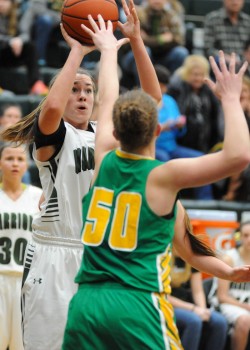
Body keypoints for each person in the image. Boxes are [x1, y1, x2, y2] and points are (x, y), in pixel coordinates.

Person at [62, 30, 250, 349]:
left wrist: (108, 52)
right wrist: (231, 99)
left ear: (114, 131)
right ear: (158, 130)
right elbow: (239, 156)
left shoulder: (103, 159)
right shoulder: (163, 176)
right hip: (137, 305)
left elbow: (108, 97)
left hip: (86, 305)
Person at [1, 0, 161, 348]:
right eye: (75, 88)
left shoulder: (105, 133)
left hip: (98, 258)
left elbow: (152, 101)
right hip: (53, 256)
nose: (83, 95)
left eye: (88, 89)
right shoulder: (54, 134)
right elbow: (53, 106)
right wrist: (77, 51)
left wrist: (135, 42)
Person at [0, 142, 43, 350]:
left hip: (26, 283)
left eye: (19, 159)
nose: (15, 163)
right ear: (0, 163)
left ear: (27, 165)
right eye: (9, 158)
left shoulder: (38, 197)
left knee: (23, 346)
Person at [154, 64, 214, 200]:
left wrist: (180, 126)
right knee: (165, 161)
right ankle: (169, 202)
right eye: (160, 85)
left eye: (165, 86)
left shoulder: (169, 101)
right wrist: (163, 127)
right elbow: (139, 134)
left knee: (202, 160)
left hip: (172, 147)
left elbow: (180, 132)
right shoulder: (144, 100)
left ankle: (206, 203)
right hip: (153, 148)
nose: (163, 89)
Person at [120, 0, 189, 87]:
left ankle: (168, 89)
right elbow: (135, 39)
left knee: (181, 52)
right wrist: (161, 39)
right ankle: (144, 89)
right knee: (144, 50)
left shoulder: (172, 15)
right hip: (132, 56)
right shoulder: (138, 13)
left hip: (163, 56)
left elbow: (179, 40)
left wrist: (147, 39)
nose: (157, 1)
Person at [169, 250, 228, 350]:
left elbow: (198, 291)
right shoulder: (162, 259)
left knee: (220, 321)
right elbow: (163, 295)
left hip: (190, 306)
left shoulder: (191, 259)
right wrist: (193, 308)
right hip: (168, 305)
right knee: (194, 321)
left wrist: (203, 309)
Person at [168, 54, 220, 153]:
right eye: (195, 74)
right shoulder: (177, 89)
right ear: (187, 73)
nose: (198, 78)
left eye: (202, 74)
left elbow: (215, 117)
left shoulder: (209, 91)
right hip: (182, 142)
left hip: (205, 142)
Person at [0, 0, 48, 95]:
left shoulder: (18, 14)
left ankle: (35, 83)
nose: (1, 3)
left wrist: (19, 41)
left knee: (30, 47)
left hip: (12, 53)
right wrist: (10, 41)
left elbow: (25, 34)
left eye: (5, 1)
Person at [216, 221, 250, 350]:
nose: (249, 239)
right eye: (245, 235)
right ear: (239, 237)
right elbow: (222, 297)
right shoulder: (229, 258)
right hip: (229, 304)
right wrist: (246, 307)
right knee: (245, 320)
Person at [204, 0, 250, 66]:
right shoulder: (212, 19)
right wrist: (224, 57)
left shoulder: (247, 21)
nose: (235, 2)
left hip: (244, 63)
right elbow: (208, 49)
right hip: (220, 64)